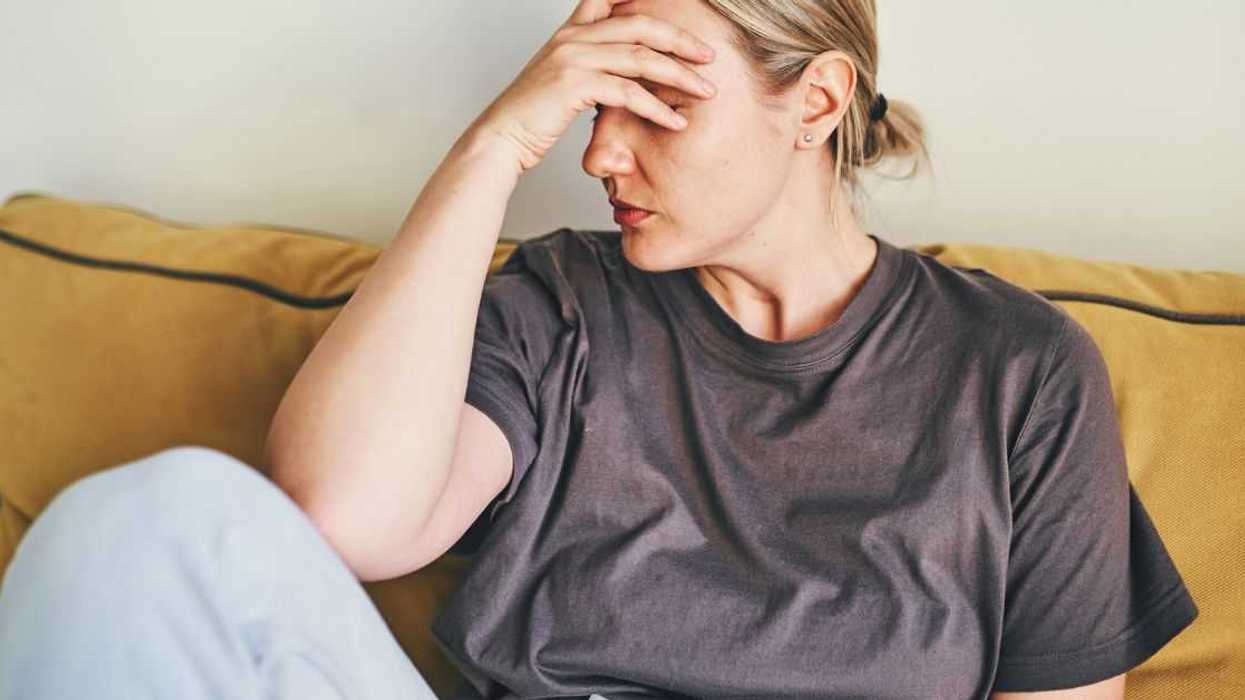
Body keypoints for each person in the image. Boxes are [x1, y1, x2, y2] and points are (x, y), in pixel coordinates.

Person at [0, 0, 1198, 699]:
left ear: (817, 103)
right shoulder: (563, 305)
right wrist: (492, 147)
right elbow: (345, 515)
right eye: (591, 103)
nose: (599, 154)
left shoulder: (1019, 372)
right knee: (145, 523)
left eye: (654, 99)